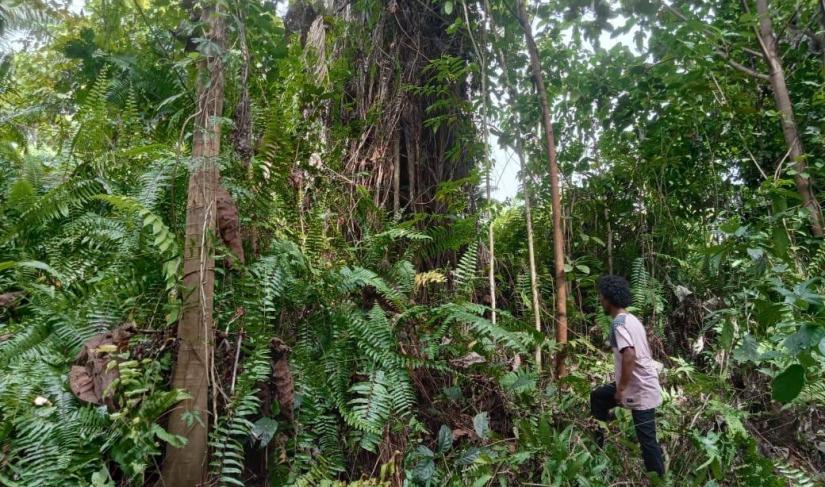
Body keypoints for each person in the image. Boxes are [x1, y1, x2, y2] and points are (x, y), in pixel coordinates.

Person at [591, 275, 666, 478]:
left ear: (608, 299)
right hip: (643, 384)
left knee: (647, 441)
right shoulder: (631, 319)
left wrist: (621, 390)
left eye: (601, 297)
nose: (600, 301)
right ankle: (597, 450)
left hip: (639, 389)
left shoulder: (619, 323)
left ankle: (659, 480)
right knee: (598, 396)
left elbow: (630, 355)